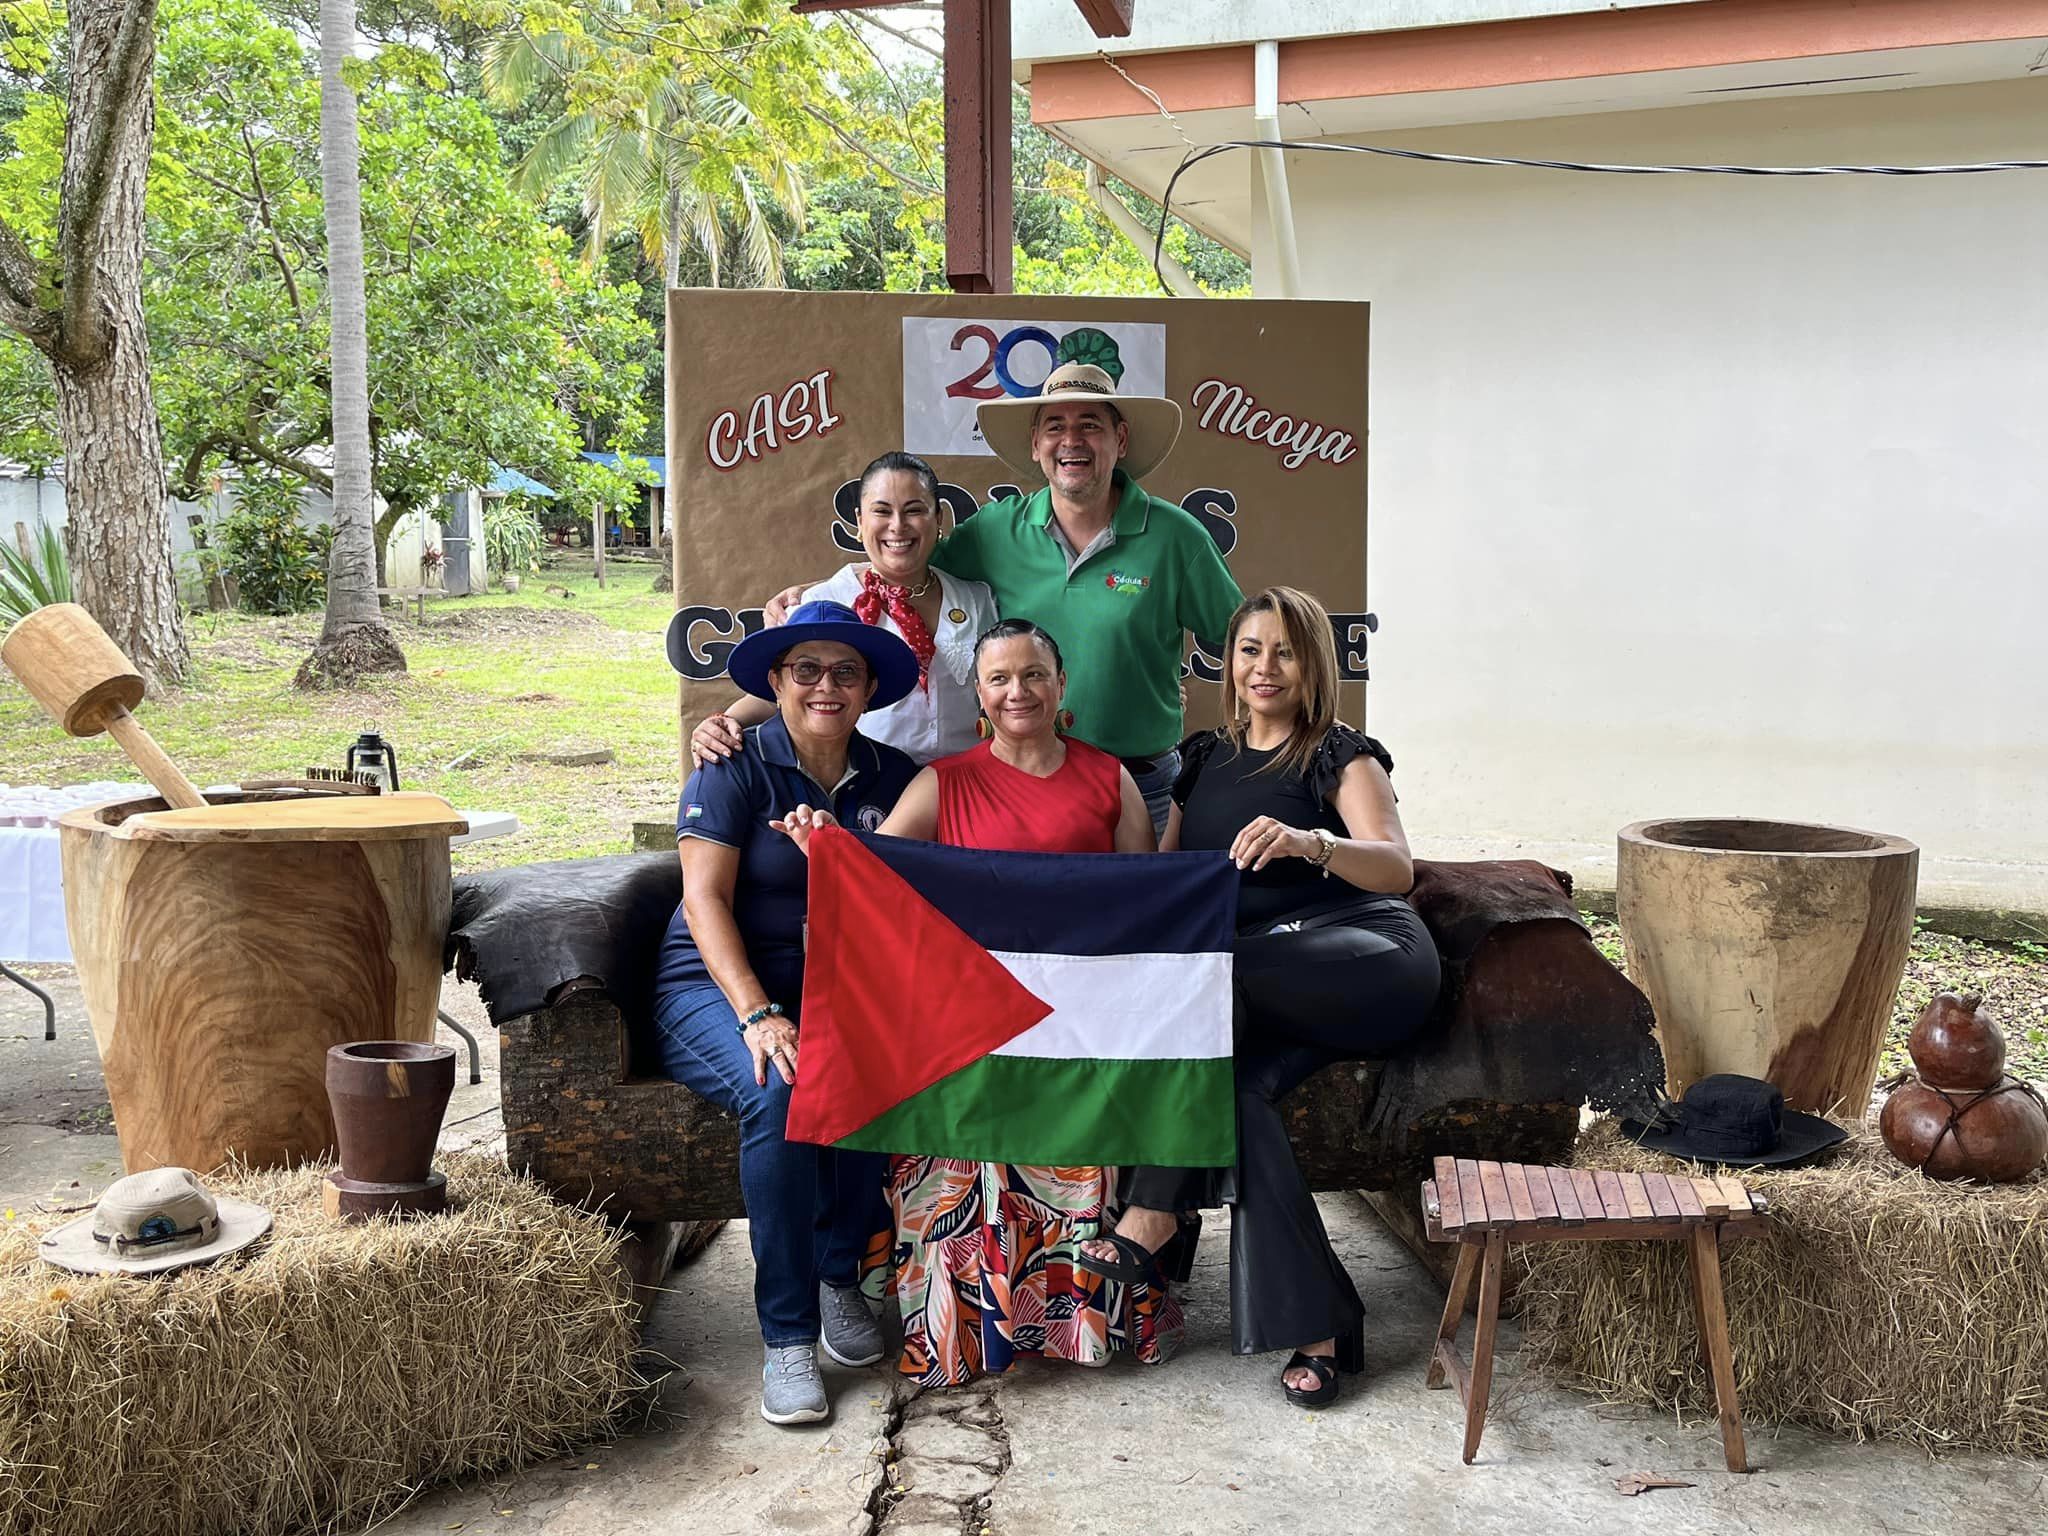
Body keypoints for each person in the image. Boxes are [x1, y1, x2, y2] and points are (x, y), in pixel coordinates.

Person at [777, 619, 1166, 1385]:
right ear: (979, 695)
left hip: (1076, 1026)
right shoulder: (943, 781)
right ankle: (967, 1326)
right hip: (970, 1021)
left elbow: (1147, 904)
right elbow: (872, 882)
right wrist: (825, 852)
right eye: (999, 679)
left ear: (1061, 686)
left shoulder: (1109, 778)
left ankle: (1074, 1322)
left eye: (1033, 675)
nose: (1017, 691)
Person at [1089, 586, 1441, 1410]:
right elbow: (1174, 882)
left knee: (1213, 983)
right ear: (1230, 660)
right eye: (1250, 649)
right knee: (1239, 1092)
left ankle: (1155, 1212)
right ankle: (1323, 1322)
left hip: (1366, 958)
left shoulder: (1338, 753)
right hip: (1255, 991)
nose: (1265, 667)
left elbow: (1397, 867)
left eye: (1284, 651)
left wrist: (1311, 842)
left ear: (1312, 662)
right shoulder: (1203, 758)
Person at [723, 363, 1244, 832]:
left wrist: (1278, 738)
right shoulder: (996, 532)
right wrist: (823, 594)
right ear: (1036, 443)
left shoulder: (1177, 537)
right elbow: (905, 560)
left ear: (1120, 438)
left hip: (1142, 784)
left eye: (1090, 424)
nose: (1072, 441)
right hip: (1027, 784)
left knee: (1135, 930)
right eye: (1056, 427)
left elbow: (1244, 641)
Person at [651, 599, 923, 1426]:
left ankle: (842, 1272)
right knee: (782, 1086)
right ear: (776, 682)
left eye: (845, 671)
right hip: (715, 984)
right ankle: (788, 1335)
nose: (825, 686)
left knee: (877, 1065)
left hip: (836, 989)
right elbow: (703, 904)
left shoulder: (895, 778)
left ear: (870, 686)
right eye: (805, 670)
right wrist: (759, 1012)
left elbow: (909, 906)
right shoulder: (733, 764)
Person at [685, 452, 1000, 767]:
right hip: (865, 787)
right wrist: (723, 721)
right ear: (861, 522)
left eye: (914, 510)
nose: (898, 526)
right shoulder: (821, 601)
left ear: (938, 519)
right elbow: (781, 693)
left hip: (965, 784)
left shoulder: (976, 598)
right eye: (882, 511)